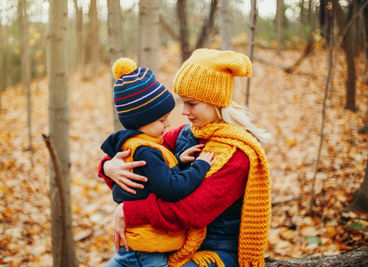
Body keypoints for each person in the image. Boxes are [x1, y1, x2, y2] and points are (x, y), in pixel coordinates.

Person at [99, 49, 271, 267]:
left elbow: (193, 211)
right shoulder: (187, 133)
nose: (184, 112)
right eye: (182, 102)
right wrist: (109, 167)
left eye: (191, 104)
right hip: (172, 245)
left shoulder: (236, 154)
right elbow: (141, 157)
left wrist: (131, 212)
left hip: (216, 251)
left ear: (215, 101)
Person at [102, 57, 216, 267]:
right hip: (148, 248)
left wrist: (178, 162)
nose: (167, 124)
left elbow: (155, 178)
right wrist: (201, 167)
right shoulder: (147, 151)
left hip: (139, 243)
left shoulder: (136, 144)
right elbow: (171, 188)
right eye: (162, 120)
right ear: (141, 121)